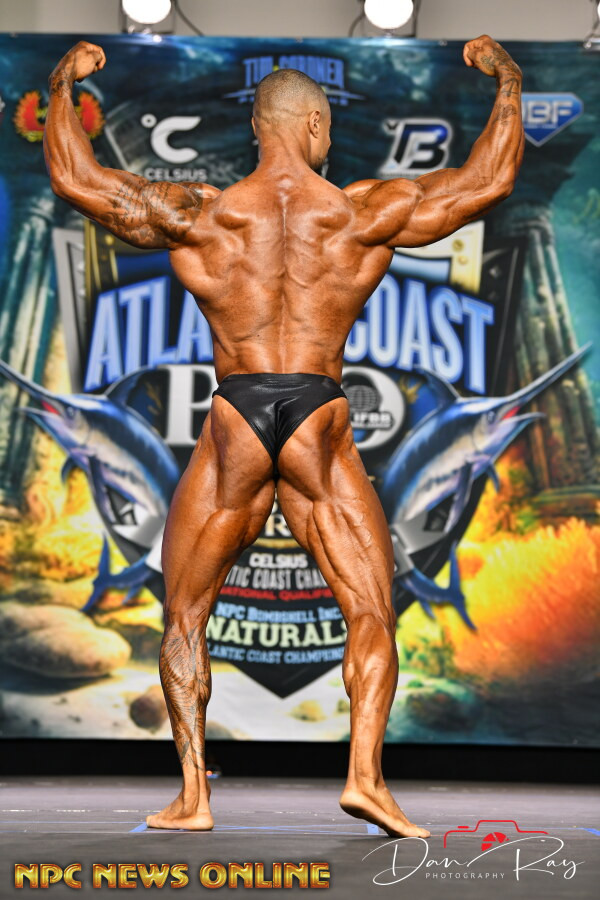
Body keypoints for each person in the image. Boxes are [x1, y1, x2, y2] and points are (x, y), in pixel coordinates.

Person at [44, 35, 523, 837]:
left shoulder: (201, 214)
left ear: (256, 128)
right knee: (370, 608)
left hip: (237, 411)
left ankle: (194, 796)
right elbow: (488, 180)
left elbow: (76, 178)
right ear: (312, 126)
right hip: (317, 410)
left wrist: (62, 83)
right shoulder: (363, 212)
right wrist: (507, 80)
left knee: (185, 615)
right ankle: (365, 777)